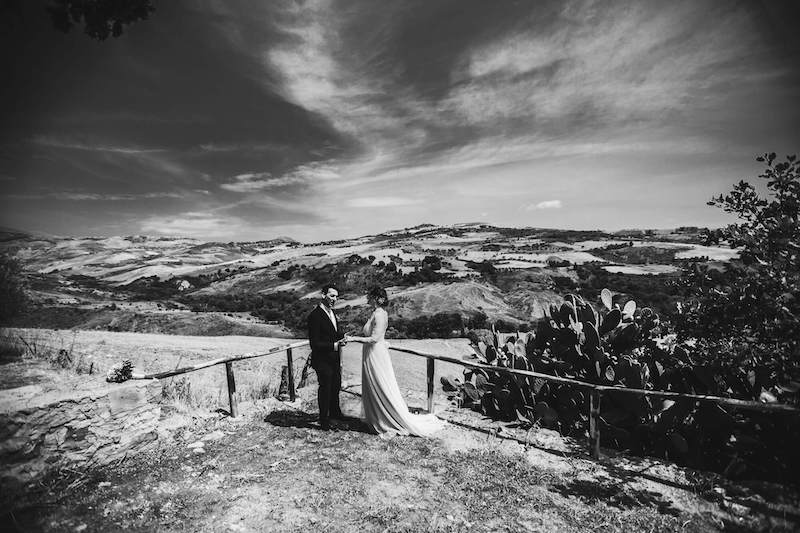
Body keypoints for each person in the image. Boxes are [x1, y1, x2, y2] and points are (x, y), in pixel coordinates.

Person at [346, 286, 445, 437]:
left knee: (380, 385)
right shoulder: (377, 312)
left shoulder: (379, 314)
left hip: (375, 354)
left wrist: (353, 339)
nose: (368, 299)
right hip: (372, 352)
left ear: (378, 299)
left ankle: (385, 418)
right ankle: (377, 417)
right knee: (374, 386)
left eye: (371, 297)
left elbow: (374, 339)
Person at [307, 283, 346, 430]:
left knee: (335, 386)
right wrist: (335, 345)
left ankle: (335, 413)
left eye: (336, 296)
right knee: (325, 389)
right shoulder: (315, 316)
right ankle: (324, 420)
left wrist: (342, 337)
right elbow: (315, 343)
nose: (335, 299)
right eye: (331, 295)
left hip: (334, 359)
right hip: (322, 360)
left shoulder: (332, 313)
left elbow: (333, 333)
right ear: (323, 295)